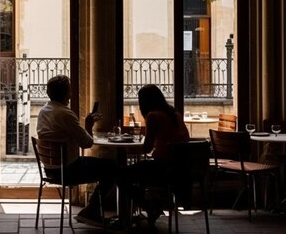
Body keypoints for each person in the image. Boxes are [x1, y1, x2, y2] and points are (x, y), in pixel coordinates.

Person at [36, 74, 116, 227]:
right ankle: (92, 210)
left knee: (108, 167)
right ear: (67, 94)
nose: (71, 93)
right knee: (111, 167)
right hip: (68, 170)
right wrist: (89, 125)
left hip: (49, 170)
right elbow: (87, 143)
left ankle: (92, 210)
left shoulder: (43, 111)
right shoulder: (65, 114)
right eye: (70, 90)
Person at [119, 84, 190, 226]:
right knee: (136, 171)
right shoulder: (175, 114)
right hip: (182, 169)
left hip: (163, 168)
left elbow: (147, 148)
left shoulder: (153, 116)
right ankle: (150, 205)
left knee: (121, 175)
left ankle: (148, 206)